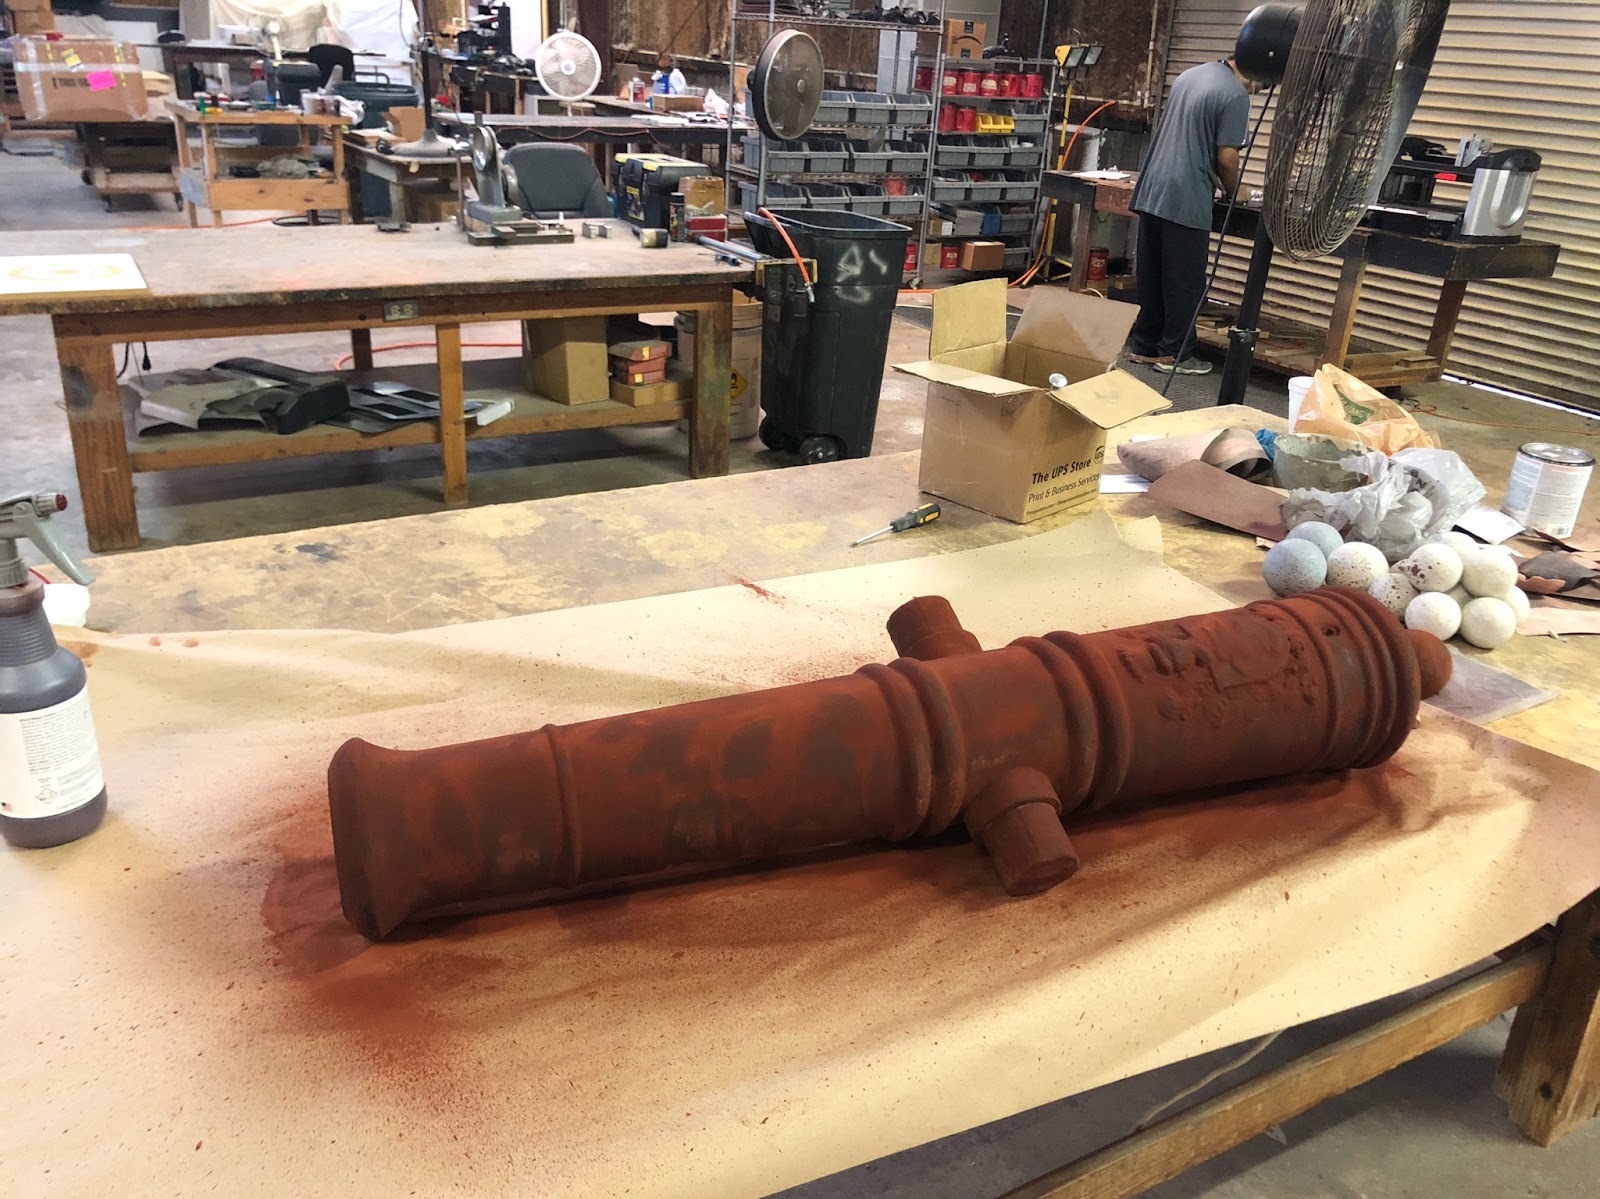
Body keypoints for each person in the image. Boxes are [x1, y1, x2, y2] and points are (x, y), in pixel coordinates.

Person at [1125, 56, 1264, 376]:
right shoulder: (1234, 94)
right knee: (1184, 281)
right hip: (1185, 196)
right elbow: (1227, 156)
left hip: (1153, 188)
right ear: (1259, 74)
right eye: (1262, 87)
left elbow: (1193, 141)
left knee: (1153, 275)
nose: (1256, 92)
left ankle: (1144, 346)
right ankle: (1176, 354)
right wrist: (1236, 190)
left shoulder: (1190, 75)